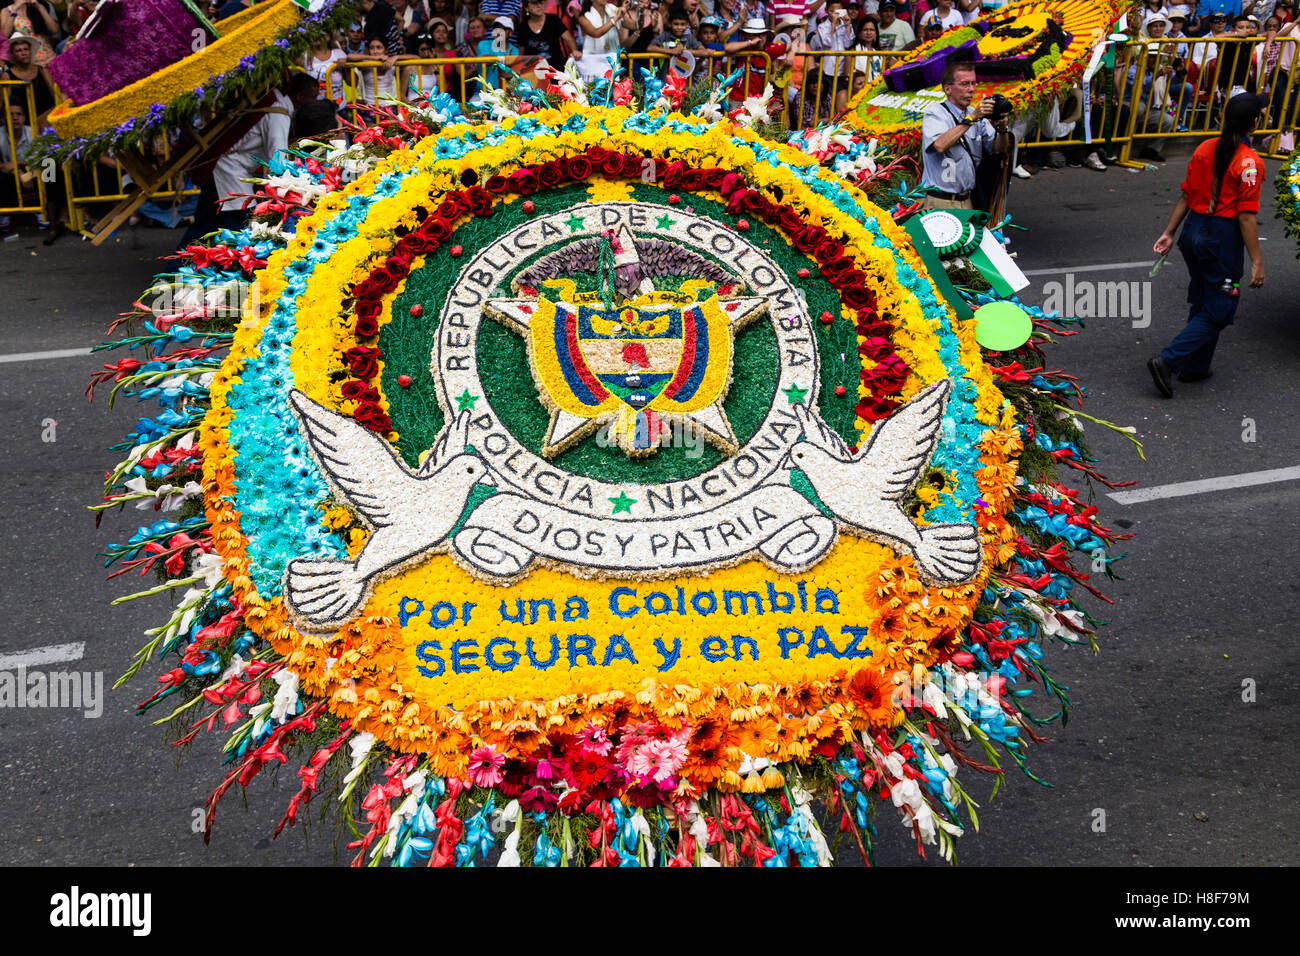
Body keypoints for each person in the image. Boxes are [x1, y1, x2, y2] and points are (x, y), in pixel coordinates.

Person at [1147, 92, 1266, 396]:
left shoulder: (1204, 148)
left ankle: (1195, 366)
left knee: (1204, 297)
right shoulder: (1250, 163)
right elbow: (1246, 219)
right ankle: (1169, 360)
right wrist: (1257, 262)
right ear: (1254, 122)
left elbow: (1187, 194)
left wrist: (1170, 231)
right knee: (1221, 308)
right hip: (1220, 238)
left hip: (1193, 232)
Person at [920, 60, 1012, 209]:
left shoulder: (974, 113)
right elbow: (939, 145)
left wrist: (1002, 127)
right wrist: (971, 119)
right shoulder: (935, 113)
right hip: (939, 201)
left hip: (967, 200)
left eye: (973, 84)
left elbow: (998, 149)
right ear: (948, 89)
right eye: (965, 84)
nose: (971, 89)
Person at [517, 0, 580, 72]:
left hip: (556, 70)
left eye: (541, 2)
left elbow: (569, 38)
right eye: (534, 3)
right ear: (526, 8)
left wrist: (575, 51)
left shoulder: (553, 19)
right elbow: (521, 54)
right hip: (534, 73)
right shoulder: (523, 27)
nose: (539, 5)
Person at [575, 0, 624, 80]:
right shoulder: (583, 17)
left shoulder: (613, 11)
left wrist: (638, 10)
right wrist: (614, 20)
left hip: (612, 63)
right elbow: (596, 33)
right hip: (592, 65)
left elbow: (634, 25)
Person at [1, 0, 59, 65]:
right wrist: (14, 9)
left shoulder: (35, 7)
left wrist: (40, 8)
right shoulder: (6, 10)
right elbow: (4, 35)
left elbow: (55, 30)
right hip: (26, 57)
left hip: (47, 53)